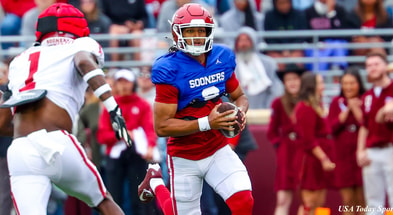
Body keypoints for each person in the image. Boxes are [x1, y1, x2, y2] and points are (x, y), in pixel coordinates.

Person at [0, 3, 132, 214]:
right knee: (103, 201)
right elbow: (84, 62)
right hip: (57, 142)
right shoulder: (81, 45)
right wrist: (113, 108)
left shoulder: (19, 60)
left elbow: (3, 123)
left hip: (20, 148)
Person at [138, 3, 254, 215]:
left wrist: (240, 111)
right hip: (184, 156)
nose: (196, 37)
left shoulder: (221, 58)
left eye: (201, 31)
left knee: (244, 201)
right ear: (177, 33)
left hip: (217, 148)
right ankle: (155, 182)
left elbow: (240, 96)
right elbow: (162, 127)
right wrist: (207, 123)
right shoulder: (169, 69)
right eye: (190, 31)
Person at [97, 68, 159, 214]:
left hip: (137, 155)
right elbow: (102, 136)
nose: (123, 85)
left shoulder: (142, 104)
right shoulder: (110, 107)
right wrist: (122, 135)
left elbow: (149, 128)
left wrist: (150, 146)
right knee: (114, 197)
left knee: (140, 198)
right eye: (120, 82)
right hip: (115, 155)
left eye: (127, 81)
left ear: (133, 84)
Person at [294, 72, 336, 215]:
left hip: (319, 159)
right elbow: (308, 139)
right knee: (309, 202)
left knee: (319, 202)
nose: (323, 86)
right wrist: (323, 158)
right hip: (311, 161)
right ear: (311, 86)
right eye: (320, 83)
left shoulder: (318, 105)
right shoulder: (305, 107)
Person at [357, 52, 393, 215]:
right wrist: (360, 150)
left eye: (376, 64)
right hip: (372, 150)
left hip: (390, 147)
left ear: (386, 66)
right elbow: (364, 126)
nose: (372, 68)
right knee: (373, 202)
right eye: (369, 65)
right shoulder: (367, 96)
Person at [267, 64, 305, 215]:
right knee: (282, 199)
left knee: (307, 197)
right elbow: (271, 132)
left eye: (295, 79)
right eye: (288, 79)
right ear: (284, 83)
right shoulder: (278, 103)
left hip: (305, 152)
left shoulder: (309, 102)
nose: (292, 83)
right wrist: (280, 145)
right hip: (286, 154)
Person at [328, 67, 366, 215]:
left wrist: (356, 109)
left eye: (352, 83)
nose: (349, 87)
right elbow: (330, 128)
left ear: (359, 83)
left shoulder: (365, 99)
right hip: (343, 159)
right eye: (345, 83)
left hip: (361, 157)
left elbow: (367, 123)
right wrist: (345, 113)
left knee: (363, 201)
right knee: (348, 201)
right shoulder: (336, 102)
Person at [233, 26, 283, 109]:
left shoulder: (268, 63)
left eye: (247, 40)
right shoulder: (230, 65)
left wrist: (269, 108)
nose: (244, 44)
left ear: (254, 42)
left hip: (265, 108)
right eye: (241, 40)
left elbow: (277, 88)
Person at [263, 0, 308, 71]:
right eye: (281, 3)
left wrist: (290, 50)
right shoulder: (269, 16)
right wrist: (281, 51)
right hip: (275, 50)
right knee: (277, 63)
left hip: (296, 49)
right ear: (275, 4)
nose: (284, 6)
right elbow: (268, 38)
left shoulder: (299, 15)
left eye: (286, 2)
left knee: (298, 60)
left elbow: (302, 36)